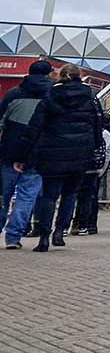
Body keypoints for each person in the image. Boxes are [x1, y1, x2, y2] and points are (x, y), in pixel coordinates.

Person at [30, 63, 103, 252]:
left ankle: (44, 237)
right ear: (79, 75)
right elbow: (98, 123)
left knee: (49, 196)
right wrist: (94, 146)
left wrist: (29, 151)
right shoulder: (90, 96)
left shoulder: (51, 94)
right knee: (70, 194)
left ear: (60, 75)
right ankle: (59, 232)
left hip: (53, 151)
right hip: (80, 152)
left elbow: (37, 124)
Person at [0, 59, 52, 249]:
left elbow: (1, 120)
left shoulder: (13, 93)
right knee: (27, 196)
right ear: (49, 74)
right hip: (38, 153)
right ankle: (13, 237)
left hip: (9, 151)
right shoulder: (52, 95)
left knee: (3, 195)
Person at [70, 113, 110, 235]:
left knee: (71, 196)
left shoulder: (79, 130)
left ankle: (65, 225)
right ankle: (87, 225)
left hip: (77, 168)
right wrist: (102, 170)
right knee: (89, 199)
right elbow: (107, 153)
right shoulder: (104, 133)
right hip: (94, 170)